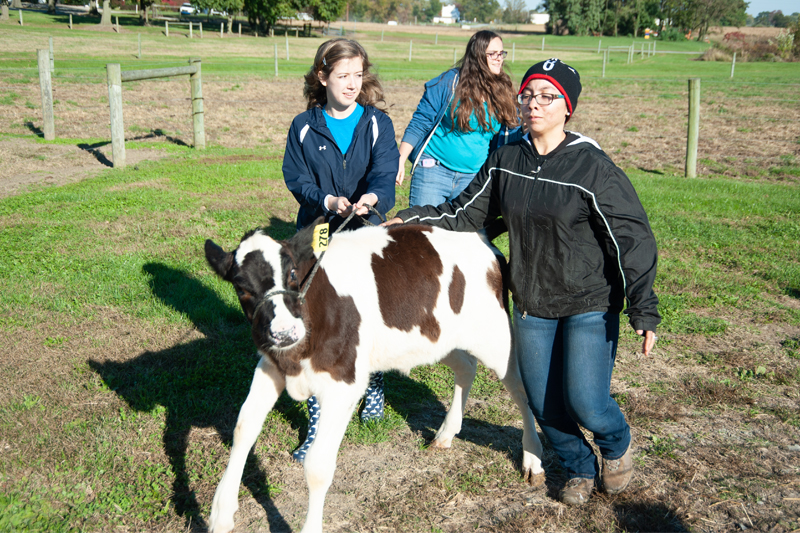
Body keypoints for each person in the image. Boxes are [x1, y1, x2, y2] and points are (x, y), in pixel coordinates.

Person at [385, 59, 660, 505]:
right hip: (532, 300)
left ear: (567, 107)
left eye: (547, 97)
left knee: (586, 401)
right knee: (542, 402)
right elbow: (464, 213)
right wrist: (408, 219)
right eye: (528, 95)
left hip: (589, 299)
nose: (534, 105)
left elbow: (631, 236)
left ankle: (616, 446)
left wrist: (643, 307)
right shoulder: (507, 157)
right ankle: (577, 466)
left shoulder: (590, 167)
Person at [282, 38, 400, 463]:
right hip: (317, 231)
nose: (353, 84)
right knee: (315, 325)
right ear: (323, 77)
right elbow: (294, 177)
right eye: (343, 75)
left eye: (358, 75)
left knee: (368, 317)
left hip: (365, 230)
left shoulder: (376, 124)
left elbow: (385, 173)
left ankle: (373, 391)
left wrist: (372, 198)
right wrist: (327, 201)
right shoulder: (302, 125)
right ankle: (317, 426)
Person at [396, 30, 519, 208]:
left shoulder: (503, 90)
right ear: (477, 56)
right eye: (492, 54)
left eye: (501, 53)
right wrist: (400, 161)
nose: (499, 58)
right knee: (423, 231)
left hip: (474, 177)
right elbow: (420, 123)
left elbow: (513, 129)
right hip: (433, 170)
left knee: (462, 235)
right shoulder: (450, 82)